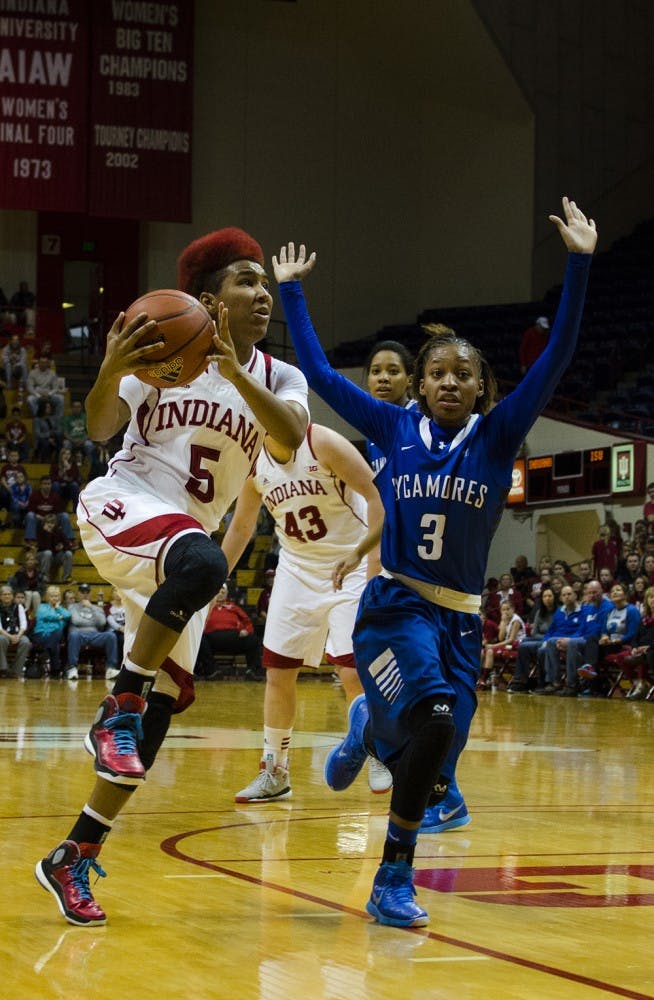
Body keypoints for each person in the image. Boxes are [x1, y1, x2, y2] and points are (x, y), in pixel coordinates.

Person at [273, 196, 596, 927]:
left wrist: (579, 265)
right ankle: (392, 878)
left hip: (460, 622)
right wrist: (292, 292)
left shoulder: (497, 435)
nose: (450, 382)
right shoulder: (392, 425)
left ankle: (366, 728)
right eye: (437, 373)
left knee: (438, 754)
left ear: (483, 388)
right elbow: (322, 377)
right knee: (439, 716)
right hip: (395, 608)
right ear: (419, 386)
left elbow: (559, 355)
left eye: (463, 374)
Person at [35, 226, 309, 926]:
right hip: (126, 506)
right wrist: (108, 370)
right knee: (201, 562)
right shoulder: (162, 346)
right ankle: (115, 707)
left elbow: (285, 440)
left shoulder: (282, 377)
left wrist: (237, 370)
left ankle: (74, 853)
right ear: (208, 298)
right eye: (246, 281)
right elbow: (99, 427)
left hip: (181, 553)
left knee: (156, 722)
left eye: (264, 284)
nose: (262, 294)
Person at [220, 422, 386, 802]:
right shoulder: (253, 459)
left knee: (352, 670)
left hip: (351, 562)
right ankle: (275, 769)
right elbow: (242, 526)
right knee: (278, 671)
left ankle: (380, 750)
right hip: (297, 567)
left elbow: (377, 497)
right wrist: (215, 575)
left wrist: (372, 565)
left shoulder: (323, 441)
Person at [195, 583, 262, 678]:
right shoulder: (206, 608)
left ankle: (253, 671)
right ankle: (211, 671)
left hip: (233, 637)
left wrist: (246, 631)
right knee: (199, 640)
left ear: (226, 594)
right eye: (217, 592)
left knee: (253, 640)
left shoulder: (234, 607)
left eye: (223, 592)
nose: (220, 594)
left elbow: (248, 622)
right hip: (211, 639)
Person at [507, 585, 558, 692]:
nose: (547, 599)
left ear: (554, 597)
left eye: (550, 596)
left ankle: (524, 679)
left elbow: (556, 633)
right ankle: (521, 678)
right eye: (545, 596)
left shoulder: (559, 612)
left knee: (524, 646)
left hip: (553, 641)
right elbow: (534, 633)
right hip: (542, 639)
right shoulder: (540, 612)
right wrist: (546, 637)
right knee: (523, 643)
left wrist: (547, 637)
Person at [65, 583, 119, 682]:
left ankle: (111, 668)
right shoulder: (72, 607)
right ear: (78, 594)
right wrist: (92, 621)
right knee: (73, 635)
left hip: (95, 635)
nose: (85, 594)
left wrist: (91, 608)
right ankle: (72, 668)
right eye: (82, 592)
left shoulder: (97, 608)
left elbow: (102, 622)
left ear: (90, 594)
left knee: (111, 635)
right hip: (79, 634)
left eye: (87, 592)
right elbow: (76, 620)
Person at [478, 599, 525, 689]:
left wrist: (493, 646)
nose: (506, 612)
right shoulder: (504, 620)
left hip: (517, 645)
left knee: (490, 650)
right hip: (507, 646)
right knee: (485, 651)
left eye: (508, 609)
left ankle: (483, 678)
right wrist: (503, 623)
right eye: (503, 610)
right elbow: (501, 638)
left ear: (513, 609)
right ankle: (481, 678)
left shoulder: (516, 620)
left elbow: (511, 640)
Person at [32, 584, 71, 678]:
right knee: (56, 638)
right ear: (48, 597)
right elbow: (45, 615)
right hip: (41, 635)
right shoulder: (42, 607)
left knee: (56, 639)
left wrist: (58, 608)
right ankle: (56, 669)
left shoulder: (61, 609)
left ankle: (51, 662)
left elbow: (68, 615)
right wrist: (58, 617)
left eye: (56, 596)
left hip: (55, 637)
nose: (54, 598)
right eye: (52, 596)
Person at [0, 583, 31, 677]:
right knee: (1, 639)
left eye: (9, 594)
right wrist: (10, 636)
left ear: (12, 596)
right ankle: (3, 668)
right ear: (0, 596)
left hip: (17, 634)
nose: (7, 596)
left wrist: (18, 636)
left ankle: (15, 671)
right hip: (3, 633)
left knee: (25, 641)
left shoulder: (19, 607)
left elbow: (23, 624)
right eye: (4, 594)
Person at [35, 512, 73, 583]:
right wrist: (48, 533)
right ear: (44, 523)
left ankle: (66, 577)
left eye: (52, 523)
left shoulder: (58, 531)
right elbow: (44, 547)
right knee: (48, 553)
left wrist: (63, 547)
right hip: (42, 555)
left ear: (55, 524)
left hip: (55, 556)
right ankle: (44, 576)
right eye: (48, 522)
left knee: (68, 554)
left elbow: (68, 544)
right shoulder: (40, 531)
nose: (50, 525)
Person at [62, 399, 97, 464]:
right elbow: (65, 432)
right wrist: (72, 440)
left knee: (89, 445)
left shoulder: (85, 417)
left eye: (78, 407)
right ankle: (66, 464)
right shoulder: (67, 418)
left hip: (83, 440)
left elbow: (90, 432)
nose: (77, 408)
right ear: (72, 408)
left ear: (81, 408)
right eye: (75, 407)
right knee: (66, 444)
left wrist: (82, 440)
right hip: (71, 440)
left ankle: (91, 465)